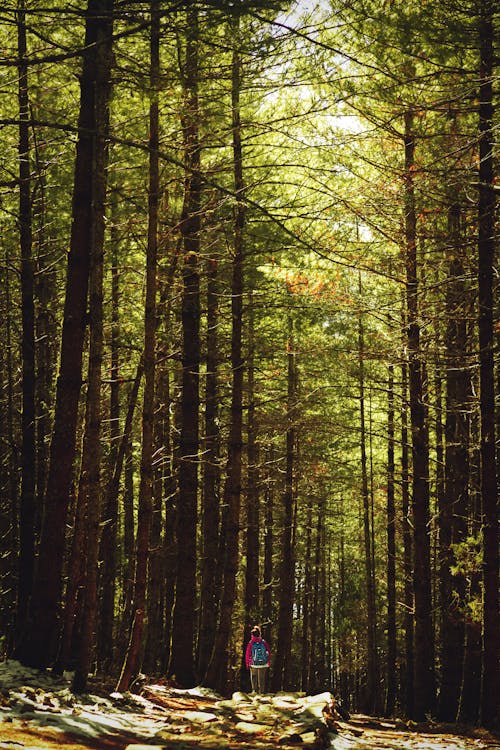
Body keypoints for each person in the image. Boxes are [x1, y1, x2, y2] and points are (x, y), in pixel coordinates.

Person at [245, 625, 270, 694]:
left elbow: (248, 654)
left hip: (253, 663)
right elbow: (268, 652)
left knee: (254, 677)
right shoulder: (263, 642)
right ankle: (262, 692)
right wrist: (268, 661)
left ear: (252, 635)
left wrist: (247, 663)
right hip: (263, 663)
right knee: (262, 678)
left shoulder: (251, 643)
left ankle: (254, 691)